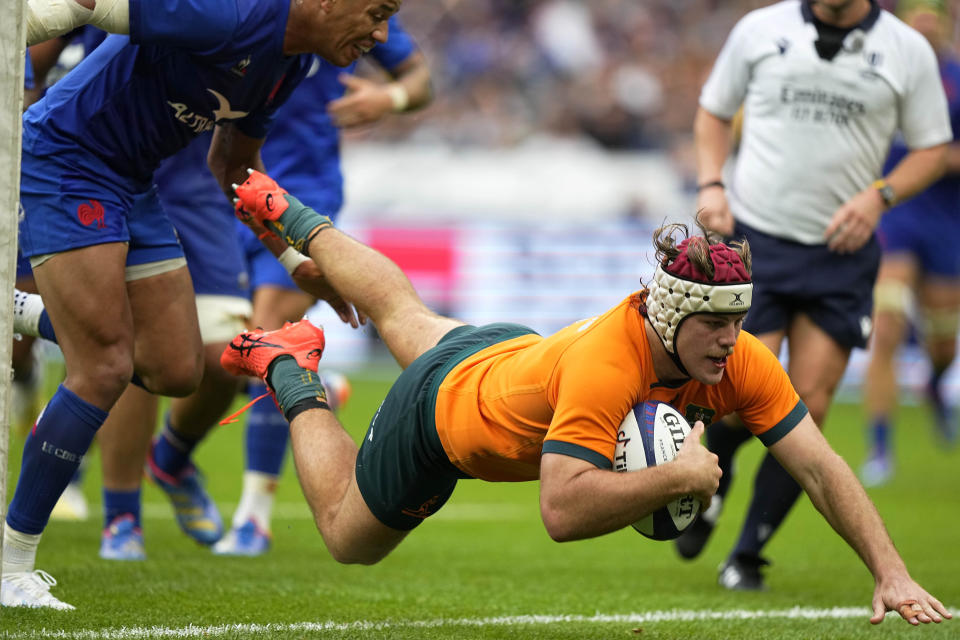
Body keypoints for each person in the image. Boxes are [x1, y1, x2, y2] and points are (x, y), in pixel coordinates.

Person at [223, 167, 949, 627]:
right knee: (348, 539)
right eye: (716, 323)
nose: (734, 338)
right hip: (439, 416)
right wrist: (683, 476)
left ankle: (283, 207)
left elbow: (819, 466)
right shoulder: (612, 363)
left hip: (505, 351)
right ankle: (292, 369)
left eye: (739, 319)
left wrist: (890, 572)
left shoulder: (741, 358)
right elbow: (562, 512)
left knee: (403, 312)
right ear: (670, 312)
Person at [1, 0, 396, 610]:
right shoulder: (230, 15)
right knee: (103, 367)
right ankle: (12, 564)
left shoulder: (287, 64)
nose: (382, 33)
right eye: (377, 12)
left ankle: (21, 312)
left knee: (176, 368)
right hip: (66, 160)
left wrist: (295, 263)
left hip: (132, 180)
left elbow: (232, 165)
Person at [673, 0, 952, 591]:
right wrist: (711, 181)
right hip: (756, 243)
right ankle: (713, 487)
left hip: (841, 254)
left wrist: (880, 196)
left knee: (809, 406)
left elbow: (932, 149)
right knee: (728, 393)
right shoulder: (760, 29)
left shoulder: (906, 49)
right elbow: (712, 112)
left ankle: (747, 554)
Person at [214, 18, 431, 556]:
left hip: (300, 194)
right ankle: (171, 459)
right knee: (197, 363)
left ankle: (252, 518)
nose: (378, 31)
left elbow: (421, 76)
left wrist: (394, 96)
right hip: (211, 184)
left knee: (267, 339)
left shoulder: (360, 13)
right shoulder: (242, 13)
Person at [861, 0, 960, 487]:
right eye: (916, 15)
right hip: (897, 216)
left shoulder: (957, 78)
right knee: (887, 325)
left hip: (947, 219)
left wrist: (936, 158)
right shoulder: (884, 75)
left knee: (944, 339)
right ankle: (880, 448)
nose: (925, 25)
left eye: (933, 17)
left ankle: (938, 382)